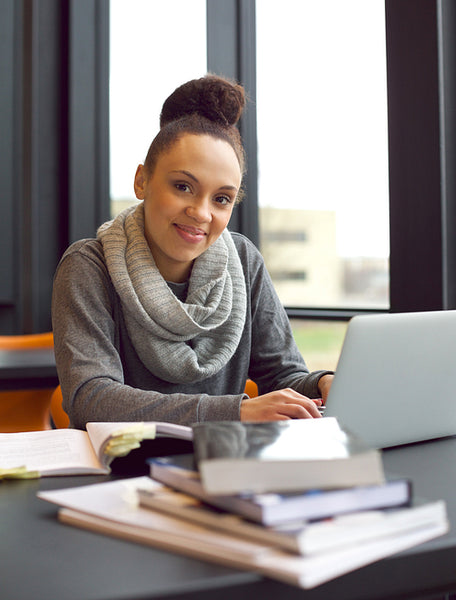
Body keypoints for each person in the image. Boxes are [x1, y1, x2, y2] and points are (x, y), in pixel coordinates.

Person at [52, 74, 334, 429]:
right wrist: (234, 412)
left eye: (221, 198)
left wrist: (324, 383)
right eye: (183, 186)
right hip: (123, 473)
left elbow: (283, 376)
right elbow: (91, 400)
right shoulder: (89, 266)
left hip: (225, 468)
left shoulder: (244, 261)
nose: (201, 213)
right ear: (142, 181)